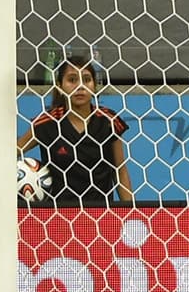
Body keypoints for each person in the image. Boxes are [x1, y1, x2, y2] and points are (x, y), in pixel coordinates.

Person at [16, 53, 134, 204]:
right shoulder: (47, 123)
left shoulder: (108, 121)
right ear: (59, 86)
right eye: (72, 80)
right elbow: (13, 152)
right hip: (57, 216)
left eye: (86, 80)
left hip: (101, 214)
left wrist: (131, 212)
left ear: (94, 86)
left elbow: (120, 171)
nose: (80, 86)